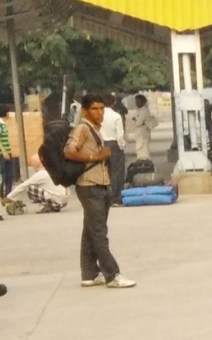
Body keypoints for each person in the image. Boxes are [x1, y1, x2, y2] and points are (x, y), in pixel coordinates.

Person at [64, 93, 135, 289]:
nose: (99, 113)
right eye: (95, 109)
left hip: (100, 184)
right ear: (86, 110)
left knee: (90, 230)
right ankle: (112, 274)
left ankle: (89, 273)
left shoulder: (95, 129)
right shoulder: (83, 128)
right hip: (89, 185)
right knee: (99, 233)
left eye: (102, 108)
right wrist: (96, 156)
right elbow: (69, 151)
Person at [5, 154, 69, 213]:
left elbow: (23, 185)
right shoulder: (52, 169)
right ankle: (51, 205)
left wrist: (9, 197)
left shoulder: (40, 174)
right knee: (42, 186)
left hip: (57, 201)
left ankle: (48, 205)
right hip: (65, 201)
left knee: (29, 187)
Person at [102, 94, 126, 205]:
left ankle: (103, 198)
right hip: (114, 144)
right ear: (114, 103)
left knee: (102, 172)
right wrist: (121, 147)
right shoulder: (116, 116)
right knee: (116, 172)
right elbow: (119, 135)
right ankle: (115, 198)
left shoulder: (98, 115)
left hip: (101, 145)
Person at [0, 105, 15, 196]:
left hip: (6, 151)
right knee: (2, 174)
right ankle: (1, 194)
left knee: (9, 174)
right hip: (1, 153)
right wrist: (3, 151)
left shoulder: (2, 123)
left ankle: (9, 193)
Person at [129, 94, 158, 160]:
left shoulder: (144, 111)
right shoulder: (139, 110)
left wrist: (135, 120)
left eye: (138, 101)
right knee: (139, 151)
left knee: (143, 151)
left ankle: (144, 164)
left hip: (143, 135)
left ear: (143, 102)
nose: (136, 103)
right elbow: (133, 120)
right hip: (139, 134)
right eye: (136, 101)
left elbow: (138, 123)